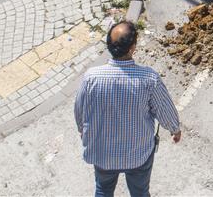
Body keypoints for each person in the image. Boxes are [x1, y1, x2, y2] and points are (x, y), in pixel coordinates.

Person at [75, 20, 181, 197]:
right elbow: (165, 110)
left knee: (103, 190)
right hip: (138, 155)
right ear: (132, 48)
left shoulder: (91, 78)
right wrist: (174, 129)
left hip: (103, 154)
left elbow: (79, 110)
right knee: (140, 192)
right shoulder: (149, 79)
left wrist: (81, 130)